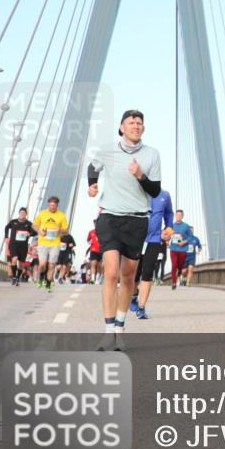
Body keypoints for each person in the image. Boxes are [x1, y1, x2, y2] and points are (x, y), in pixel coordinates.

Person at [87, 109, 163, 350]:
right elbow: (92, 167)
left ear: (143, 128)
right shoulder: (107, 150)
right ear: (122, 127)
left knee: (128, 276)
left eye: (140, 122)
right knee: (110, 273)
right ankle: (109, 331)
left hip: (137, 220)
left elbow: (155, 191)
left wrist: (140, 175)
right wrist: (92, 185)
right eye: (131, 122)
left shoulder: (152, 155)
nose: (136, 125)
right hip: (109, 217)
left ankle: (119, 328)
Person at [130, 189, 174, 318]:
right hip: (136, 239)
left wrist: (169, 228)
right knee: (134, 274)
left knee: (148, 273)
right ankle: (133, 296)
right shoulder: (135, 190)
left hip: (154, 239)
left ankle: (142, 308)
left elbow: (169, 213)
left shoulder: (164, 195)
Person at [32, 196, 68, 293]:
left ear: (57, 205)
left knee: (52, 265)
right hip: (43, 242)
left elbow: (66, 231)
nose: (52, 207)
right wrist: (40, 232)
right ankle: (41, 278)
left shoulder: (61, 215)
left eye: (54, 205)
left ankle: (48, 284)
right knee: (42, 264)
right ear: (48, 205)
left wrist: (60, 230)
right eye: (50, 205)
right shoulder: (42, 213)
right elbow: (34, 225)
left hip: (55, 243)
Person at [3, 208, 36, 287]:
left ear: (26, 214)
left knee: (21, 264)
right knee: (14, 260)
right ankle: (14, 277)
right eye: (21, 212)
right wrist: (6, 237)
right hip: (13, 244)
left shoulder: (29, 223)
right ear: (19, 213)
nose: (22, 214)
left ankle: (18, 278)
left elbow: (35, 232)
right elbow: (6, 227)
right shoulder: (13, 222)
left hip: (23, 246)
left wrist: (30, 234)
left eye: (24, 213)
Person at [167, 209, 193, 291]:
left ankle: (179, 271)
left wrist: (184, 241)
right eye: (176, 215)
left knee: (180, 266)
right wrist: (167, 242)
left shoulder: (186, 226)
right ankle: (174, 282)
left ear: (182, 216)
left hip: (182, 249)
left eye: (179, 215)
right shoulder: (171, 226)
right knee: (174, 265)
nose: (178, 216)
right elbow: (166, 235)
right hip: (173, 248)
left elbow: (190, 236)